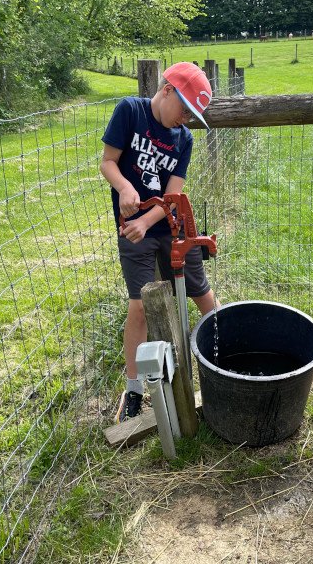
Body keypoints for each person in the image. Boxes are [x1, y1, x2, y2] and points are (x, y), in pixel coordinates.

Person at [100, 62, 217, 422]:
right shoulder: (129, 112)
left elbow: (173, 195)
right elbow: (108, 162)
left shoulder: (184, 139)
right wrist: (124, 187)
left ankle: (224, 356)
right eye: (184, 109)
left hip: (171, 226)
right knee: (139, 306)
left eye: (192, 115)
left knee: (202, 295)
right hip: (131, 228)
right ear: (167, 90)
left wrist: (147, 218)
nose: (185, 119)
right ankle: (134, 390)